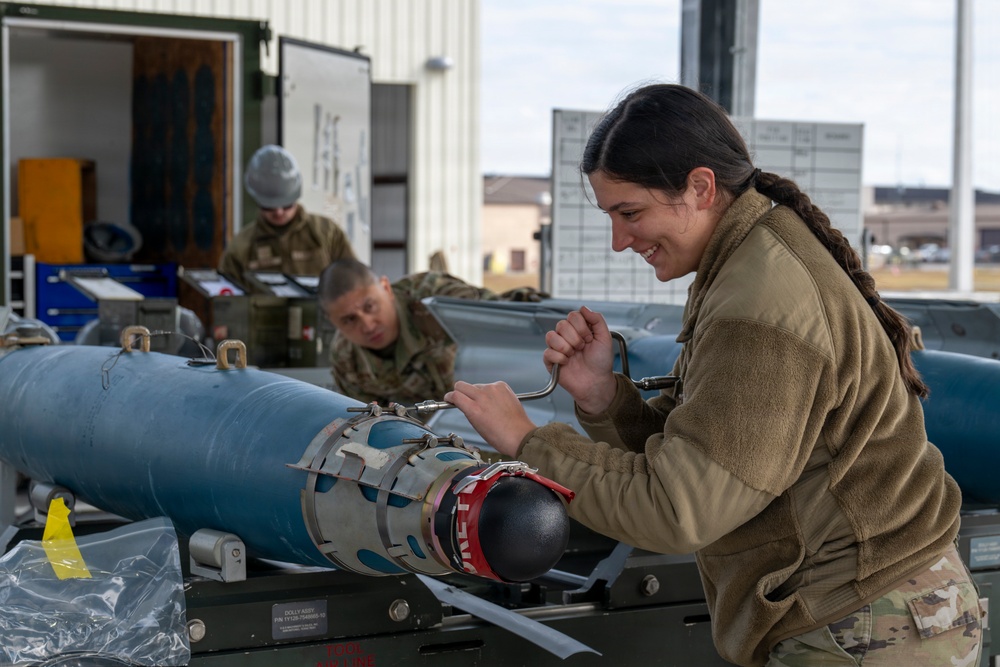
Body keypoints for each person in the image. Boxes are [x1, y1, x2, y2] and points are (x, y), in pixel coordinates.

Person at [445, 84, 982, 667]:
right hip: (869, 614)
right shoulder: (747, 261)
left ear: (700, 188)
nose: (620, 241)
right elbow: (709, 455)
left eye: (631, 213)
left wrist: (527, 443)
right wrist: (605, 400)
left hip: (867, 627)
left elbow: (679, 510)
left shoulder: (761, 300)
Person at [318, 258, 499, 408]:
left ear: (386, 288)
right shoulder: (346, 358)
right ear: (332, 321)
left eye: (370, 306)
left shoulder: (433, 296)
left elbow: (507, 317)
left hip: (498, 403)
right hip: (433, 437)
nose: (368, 326)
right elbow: (367, 424)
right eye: (349, 320)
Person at [219, 145, 355, 289]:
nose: (279, 212)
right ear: (257, 199)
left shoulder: (327, 233)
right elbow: (227, 299)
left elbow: (354, 281)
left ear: (296, 196)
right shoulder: (241, 247)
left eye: (286, 205)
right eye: (269, 206)